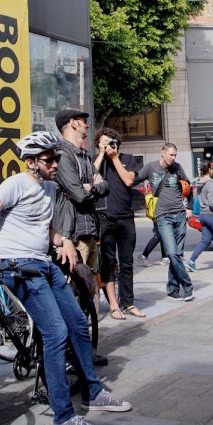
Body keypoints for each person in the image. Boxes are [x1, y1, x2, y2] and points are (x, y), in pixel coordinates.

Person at [0, 132, 132, 425]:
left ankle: (92, 393)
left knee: (79, 325)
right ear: (30, 162)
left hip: (43, 263)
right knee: (55, 332)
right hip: (17, 267)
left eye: (56, 158)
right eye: (49, 159)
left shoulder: (47, 188)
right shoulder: (15, 184)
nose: (55, 163)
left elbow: (47, 228)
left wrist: (64, 240)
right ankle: (63, 417)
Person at [52, 109, 105, 299]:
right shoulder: (62, 155)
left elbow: (104, 186)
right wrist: (92, 187)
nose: (87, 125)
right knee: (74, 288)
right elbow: (78, 195)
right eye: (83, 121)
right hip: (73, 233)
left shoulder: (83, 155)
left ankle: (85, 325)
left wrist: (89, 187)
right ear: (73, 123)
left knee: (88, 288)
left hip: (89, 229)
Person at [92, 127, 145, 319]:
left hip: (125, 217)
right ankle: (114, 305)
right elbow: (89, 177)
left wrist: (114, 158)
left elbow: (129, 181)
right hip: (104, 217)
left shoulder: (128, 159)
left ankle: (128, 303)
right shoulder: (96, 161)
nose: (108, 146)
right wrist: (100, 154)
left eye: (111, 142)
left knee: (127, 262)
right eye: (104, 143)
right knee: (108, 263)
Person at [136, 144, 193, 302]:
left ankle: (172, 289)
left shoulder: (178, 167)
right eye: (171, 155)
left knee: (178, 255)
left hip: (180, 215)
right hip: (163, 216)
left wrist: (189, 208)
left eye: (175, 155)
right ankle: (187, 285)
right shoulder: (150, 168)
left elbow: (189, 188)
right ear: (163, 153)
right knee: (172, 253)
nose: (173, 158)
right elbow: (133, 180)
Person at [187, 163, 213, 273]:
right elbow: (212, 204)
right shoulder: (210, 184)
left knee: (205, 241)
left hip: (203, 215)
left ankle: (191, 262)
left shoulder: (199, 182)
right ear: (209, 169)